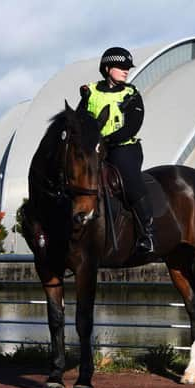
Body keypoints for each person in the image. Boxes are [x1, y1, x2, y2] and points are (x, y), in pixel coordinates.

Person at [77, 46, 154, 253]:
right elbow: (79, 121)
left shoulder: (132, 94)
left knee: (129, 180)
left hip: (123, 148)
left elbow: (132, 126)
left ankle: (147, 232)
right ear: (107, 68)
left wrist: (108, 140)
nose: (126, 70)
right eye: (121, 67)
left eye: (127, 67)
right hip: (93, 150)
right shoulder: (89, 92)